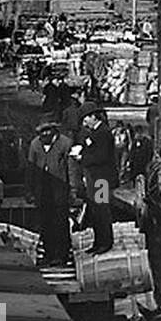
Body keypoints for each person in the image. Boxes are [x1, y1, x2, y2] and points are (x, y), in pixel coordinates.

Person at [25, 117, 73, 267]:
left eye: (48, 130)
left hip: (60, 190)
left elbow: (71, 169)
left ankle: (61, 254)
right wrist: (29, 190)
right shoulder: (35, 145)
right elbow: (30, 169)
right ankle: (49, 253)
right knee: (45, 223)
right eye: (41, 131)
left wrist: (73, 189)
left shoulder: (65, 143)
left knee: (60, 222)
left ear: (54, 130)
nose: (45, 134)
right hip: (42, 190)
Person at [75, 105, 115, 255]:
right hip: (94, 178)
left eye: (86, 118)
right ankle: (98, 241)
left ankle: (105, 242)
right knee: (95, 210)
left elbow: (102, 156)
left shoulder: (103, 133)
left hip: (101, 179)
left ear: (93, 117)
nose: (84, 122)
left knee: (102, 210)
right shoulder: (95, 133)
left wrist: (82, 157)